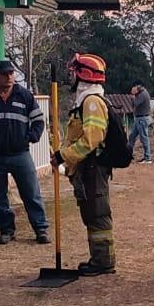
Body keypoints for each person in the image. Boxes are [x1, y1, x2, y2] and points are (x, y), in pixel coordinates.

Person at [51, 54, 117, 274]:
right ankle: (98, 258)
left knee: (97, 213)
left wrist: (64, 156)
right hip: (86, 168)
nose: (71, 77)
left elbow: (92, 139)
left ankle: (103, 261)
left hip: (92, 168)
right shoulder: (85, 101)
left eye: (74, 72)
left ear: (83, 75)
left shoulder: (92, 103)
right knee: (90, 212)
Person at [0, 60, 49, 245]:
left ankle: (41, 229)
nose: (9, 77)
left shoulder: (25, 96)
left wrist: (31, 137)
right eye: (4, 74)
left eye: (11, 73)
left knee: (31, 192)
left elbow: (38, 121)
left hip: (20, 154)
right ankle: (6, 230)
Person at [128, 81, 153, 164]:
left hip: (142, 119)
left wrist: (133, 96)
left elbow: (135, 103)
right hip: (139, 118)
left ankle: (148, 158)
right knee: (132, 136)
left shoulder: (143, 94)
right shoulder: (141, 94)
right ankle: (128, 155)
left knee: (144, 138)